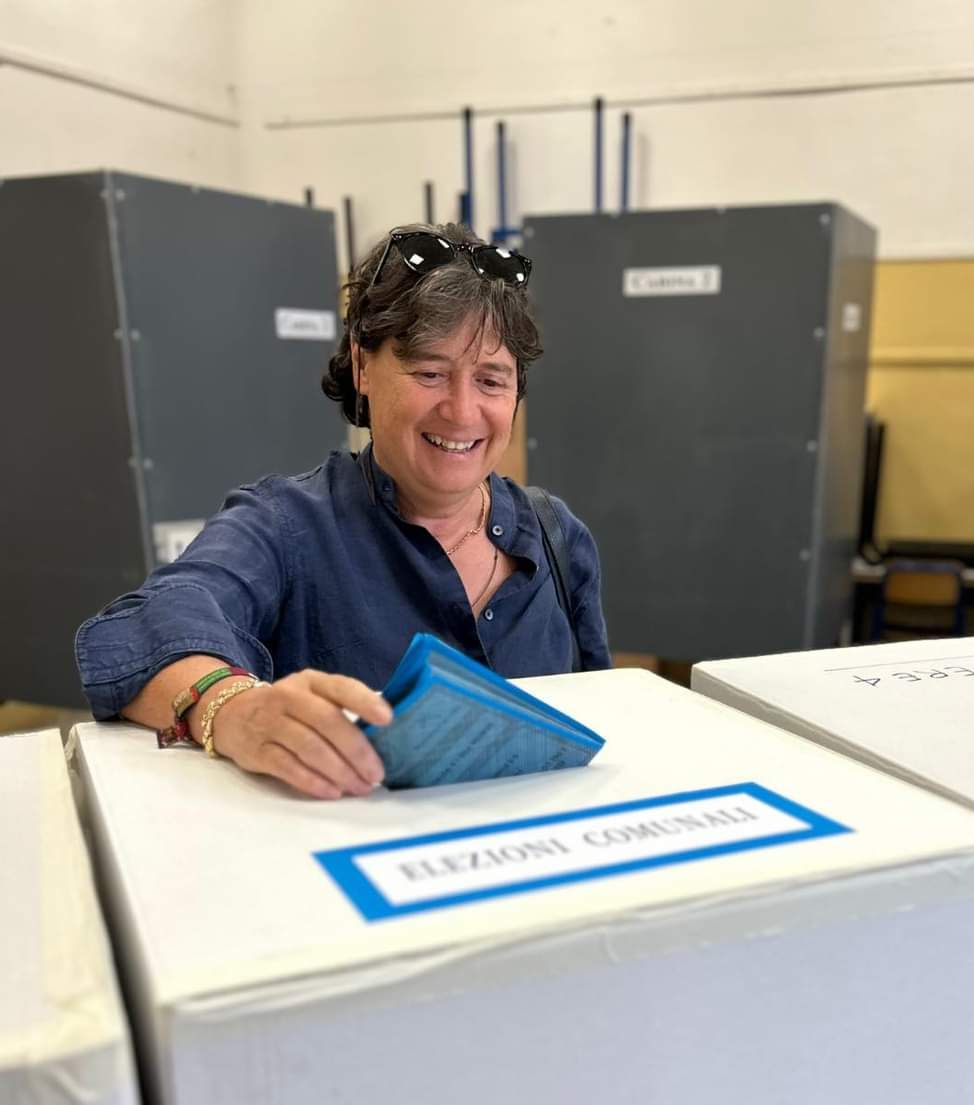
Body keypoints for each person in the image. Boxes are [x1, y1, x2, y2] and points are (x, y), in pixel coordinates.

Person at [75, 222, 611, 799]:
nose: (461, 411)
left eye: (491, 380)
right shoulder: (285, 527)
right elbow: (143, 626)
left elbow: (605, 712)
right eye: (429, 372)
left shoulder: (556, 536)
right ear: (362, 367)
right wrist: (231, 708)